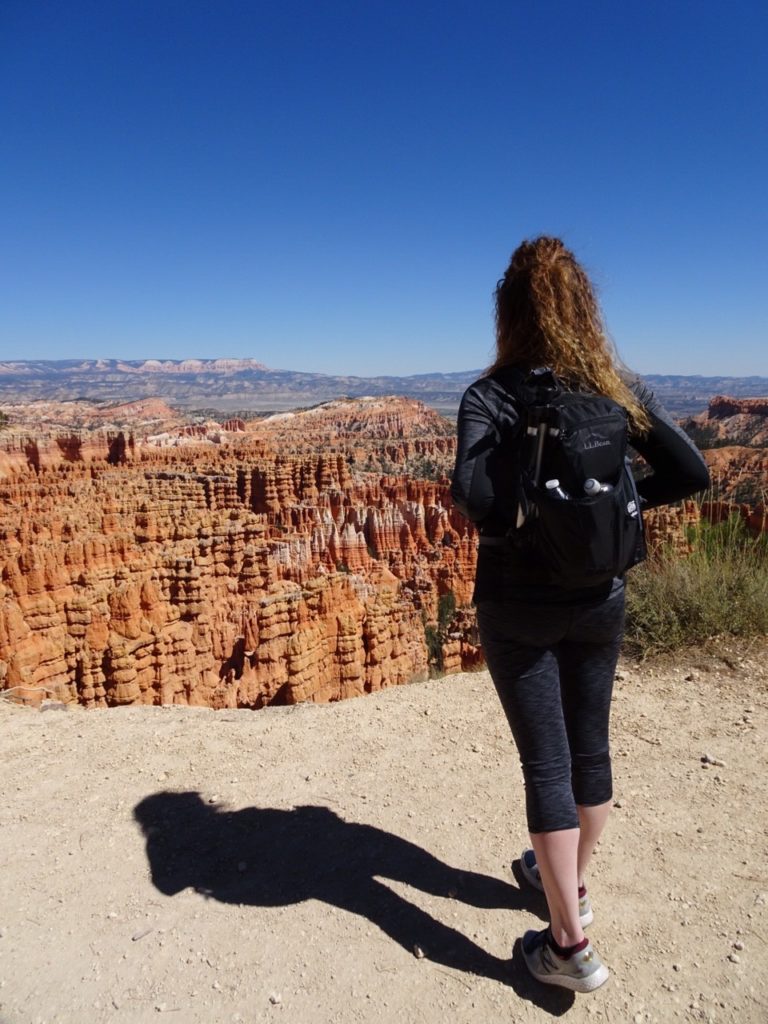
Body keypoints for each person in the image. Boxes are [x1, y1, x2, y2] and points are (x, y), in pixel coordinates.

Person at [450, 236, 709, 993]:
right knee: (589, 755)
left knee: (548, 766)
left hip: (518, 603)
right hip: (602, 597)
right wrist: (619, 509)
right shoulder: (614, 388)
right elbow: (689, 471)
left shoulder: (491, 396)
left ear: (508, 313)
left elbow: (476, 499)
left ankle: (568, 945)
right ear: (583, 307)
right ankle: (571, 882)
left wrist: (535, 516)